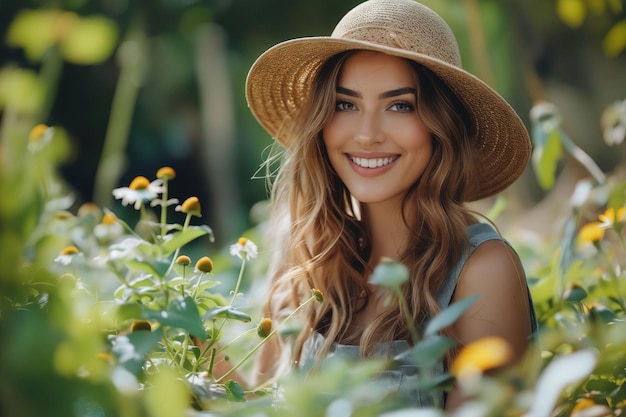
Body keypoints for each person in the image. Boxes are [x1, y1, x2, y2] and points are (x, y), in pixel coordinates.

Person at [243, 0, 537, 410]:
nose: (367, 135)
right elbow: (257, 403)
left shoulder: (480, 271)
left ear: (442, 126)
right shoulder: (310, 257)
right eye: (346, 104)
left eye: (400, 105)